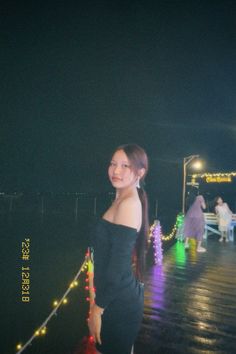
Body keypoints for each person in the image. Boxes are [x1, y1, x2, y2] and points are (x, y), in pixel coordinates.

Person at [88, 143, 149, 354]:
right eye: (113, 164)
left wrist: (97, 310)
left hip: (118, 304)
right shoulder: (121, 198)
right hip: (114, 298)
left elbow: (118, 268)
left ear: (139, 172)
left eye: (125, 165)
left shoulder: (129, 204)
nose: (116, 170)